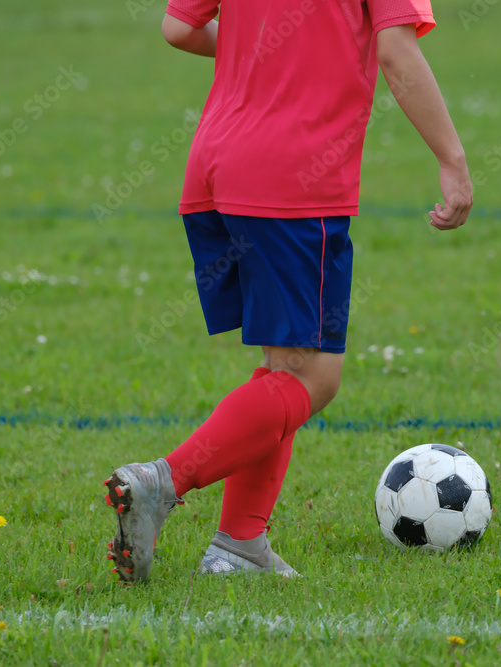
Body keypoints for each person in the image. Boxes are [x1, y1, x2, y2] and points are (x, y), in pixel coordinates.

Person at [102, 0, 473, 583]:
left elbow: (179, 27)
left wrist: (268, 54)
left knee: (285, 364)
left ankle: (241, 543)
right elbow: (397, 51)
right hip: (293, 177)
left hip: (216, 163)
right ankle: (162, 482)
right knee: (313, 378)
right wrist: (453, 161)